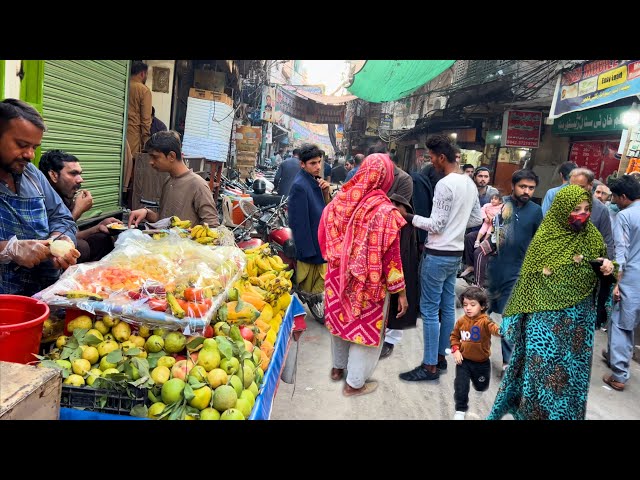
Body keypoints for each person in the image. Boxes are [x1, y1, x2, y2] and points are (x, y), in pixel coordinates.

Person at [488, 185, 615, 420]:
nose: (582, 214)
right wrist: (516, 321)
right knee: (540, 379)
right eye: (576, 209)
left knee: (571, 381)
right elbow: (527, 285)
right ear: (561, 209)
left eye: (587, 209)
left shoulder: (593, 238)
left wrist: (608, 269)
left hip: (577, 328)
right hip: (544, 325)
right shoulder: (544, 241)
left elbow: (605, 273)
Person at [318, 153, 408, 396]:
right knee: (364, 330)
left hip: (336, 277)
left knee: (339, 322)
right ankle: (354, 384)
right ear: (386, 178)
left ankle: (337, 369)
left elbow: (323, 237)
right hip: (369, 283)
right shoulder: (385, 213)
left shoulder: (338, 202)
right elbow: (392, 258)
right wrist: (400, 291)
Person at [399, 134, 482, 382]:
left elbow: (435, 224)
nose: (431, 161)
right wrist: (456, 228)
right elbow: (477, 219)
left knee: (429, 310)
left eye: (432, 157)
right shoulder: (469, 182)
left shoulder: (445, 184)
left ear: (442, 157)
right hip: (454, 255)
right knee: (446, 308)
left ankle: (430, 366)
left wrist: (409, 217)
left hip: (437, 254)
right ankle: (443, 357)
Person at [0, 99, 80, 296]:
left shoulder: (32, 175)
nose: (30, 155)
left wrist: (61, 241)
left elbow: (61, 218)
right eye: (21, 145)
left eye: (34, 147)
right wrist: (9, 249)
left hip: (43, 294)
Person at [486, 169, 543, 372]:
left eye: (531, 187)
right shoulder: (502, 205)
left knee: (510, 316)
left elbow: (539, 241)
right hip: (495, 268)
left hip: (518, 271)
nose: (527, 191)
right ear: (513, 186)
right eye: (523, 186)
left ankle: (507, 362)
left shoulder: (536, 211)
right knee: (483, 311)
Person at [38, 150, 120, 263]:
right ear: (53, 175)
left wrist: (98, 227)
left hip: (63, 241)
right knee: (83, 247)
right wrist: (78, 210)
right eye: (73, 173)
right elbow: (54, 241)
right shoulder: (40, 199)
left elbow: (72, 235)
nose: (80, 179)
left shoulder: (65, 197)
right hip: (45, 255)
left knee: (102, 239)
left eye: (80, 174)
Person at [128, 131, 219, 228]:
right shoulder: (168, 181)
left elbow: (212, 227)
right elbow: (164, 221)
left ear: (171, 156)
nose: (151, 162)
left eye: (155, 157)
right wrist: (146, 212)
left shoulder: (198, 185)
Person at [602, 175, 640, 391]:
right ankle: (616, 357)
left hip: (632, 279)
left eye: (615, 197)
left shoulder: (625, 216)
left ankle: (619, 375)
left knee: (620, 325)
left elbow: (621, 254)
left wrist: (617, 283)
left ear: (624, 196)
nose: (613, 201)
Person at [288, 144, 331, 307]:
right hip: (310, 245)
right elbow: (298, 223)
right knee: (308, 287)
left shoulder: (315, 181)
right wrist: (308, 251)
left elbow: (325, 209)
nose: (318, 166)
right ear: (302, 164)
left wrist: (326, 192)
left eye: (319, 162)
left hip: (319, 240)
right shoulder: (300, 185)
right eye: (313, 163)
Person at [451, 286, 501, 420]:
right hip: (464, 361)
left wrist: (502, 331)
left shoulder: (485, 321)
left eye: (473, 305)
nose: (468, 308)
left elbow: (495, 329)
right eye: (465, 304)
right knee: (460, 385)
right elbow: (454, 337)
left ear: (482, 306)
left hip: (482, 363)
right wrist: (455, 350)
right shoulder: (461, 321)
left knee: (481, 386)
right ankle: (460, 411)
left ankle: (477, 403)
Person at [380, 194, 419, 359]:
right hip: (385, 267)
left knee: (399, 304)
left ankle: (390, 340)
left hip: (402, 266)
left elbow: (404, 253)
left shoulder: (406, 224)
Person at [569, 167, 614, 259]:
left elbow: (607, 240)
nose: (576, 191)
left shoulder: (601, 210)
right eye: (572, 187)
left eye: (581, 187)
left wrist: (607, 262)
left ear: (590, 185)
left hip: (588, 262)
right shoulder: (561, 204)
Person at [459, 193, 504, 284]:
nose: (493, 201)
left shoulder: (504, 207)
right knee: (469, 237)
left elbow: (499, 220)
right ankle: (471, 265)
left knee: (478, 252)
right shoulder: (488, 205)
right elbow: (481, 211)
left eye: (496, 199)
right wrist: (485, 217)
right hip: (485, 227)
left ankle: (479, 283)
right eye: (492, 199)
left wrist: (490, 218)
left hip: (495, 234)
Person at [126, 61, 152, 207]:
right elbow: (146, 120)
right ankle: (130, 204)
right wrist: (146, 141)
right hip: (134, 136)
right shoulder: (143, 90)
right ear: (142, 74)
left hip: (120, 135)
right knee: (133, 174)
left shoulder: (123, 85)